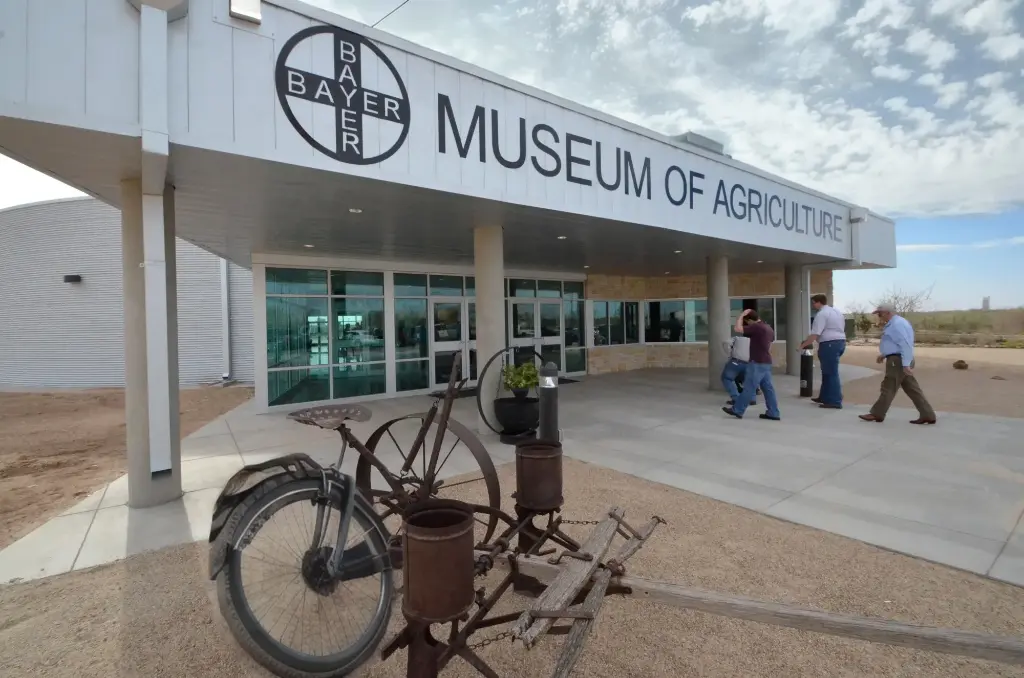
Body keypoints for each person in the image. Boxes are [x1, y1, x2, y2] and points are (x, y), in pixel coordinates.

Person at [858, 303, 937, 425]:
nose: (879, 316)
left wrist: (905, 364)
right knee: (912, 389)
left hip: (898, 360)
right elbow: (895, 344)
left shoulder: (896, 325)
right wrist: (884, 354)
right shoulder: (897, 323)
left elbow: (904, 344)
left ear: (888, 313)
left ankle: (877, 413)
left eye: (880, 314)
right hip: (899, 358)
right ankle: (928, 414)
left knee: (888, 387)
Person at [722, 309, 780, 420]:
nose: (747, 324)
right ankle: (773, 412)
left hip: (757, 362)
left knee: (749, 387)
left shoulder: (756, 326)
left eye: (746, 321)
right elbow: (770, 344)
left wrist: (741, 315)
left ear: (749, 320)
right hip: (766, 362)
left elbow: (737, 329)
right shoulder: (768, 328)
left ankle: (737, 410)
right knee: (768, 389)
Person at [799, 294, 847, 409]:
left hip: (829, 344)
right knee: (827, 372)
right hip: (840, 342)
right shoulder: (836, 312)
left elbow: (815, 334)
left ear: (819, 302)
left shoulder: (821, 314)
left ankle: (835, 401)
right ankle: (824, 397)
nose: (813, 305)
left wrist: (803, 345)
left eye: (814, 303)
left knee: (831, 373)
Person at [721, 333, 756, 407]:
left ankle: (736, 397)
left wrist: (730, 352)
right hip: (750, 363)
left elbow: (726, 342)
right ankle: (752, 398)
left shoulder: (737, 338)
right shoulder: (755, 340)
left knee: (726, 378)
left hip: (736, 362)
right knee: (748, 380)